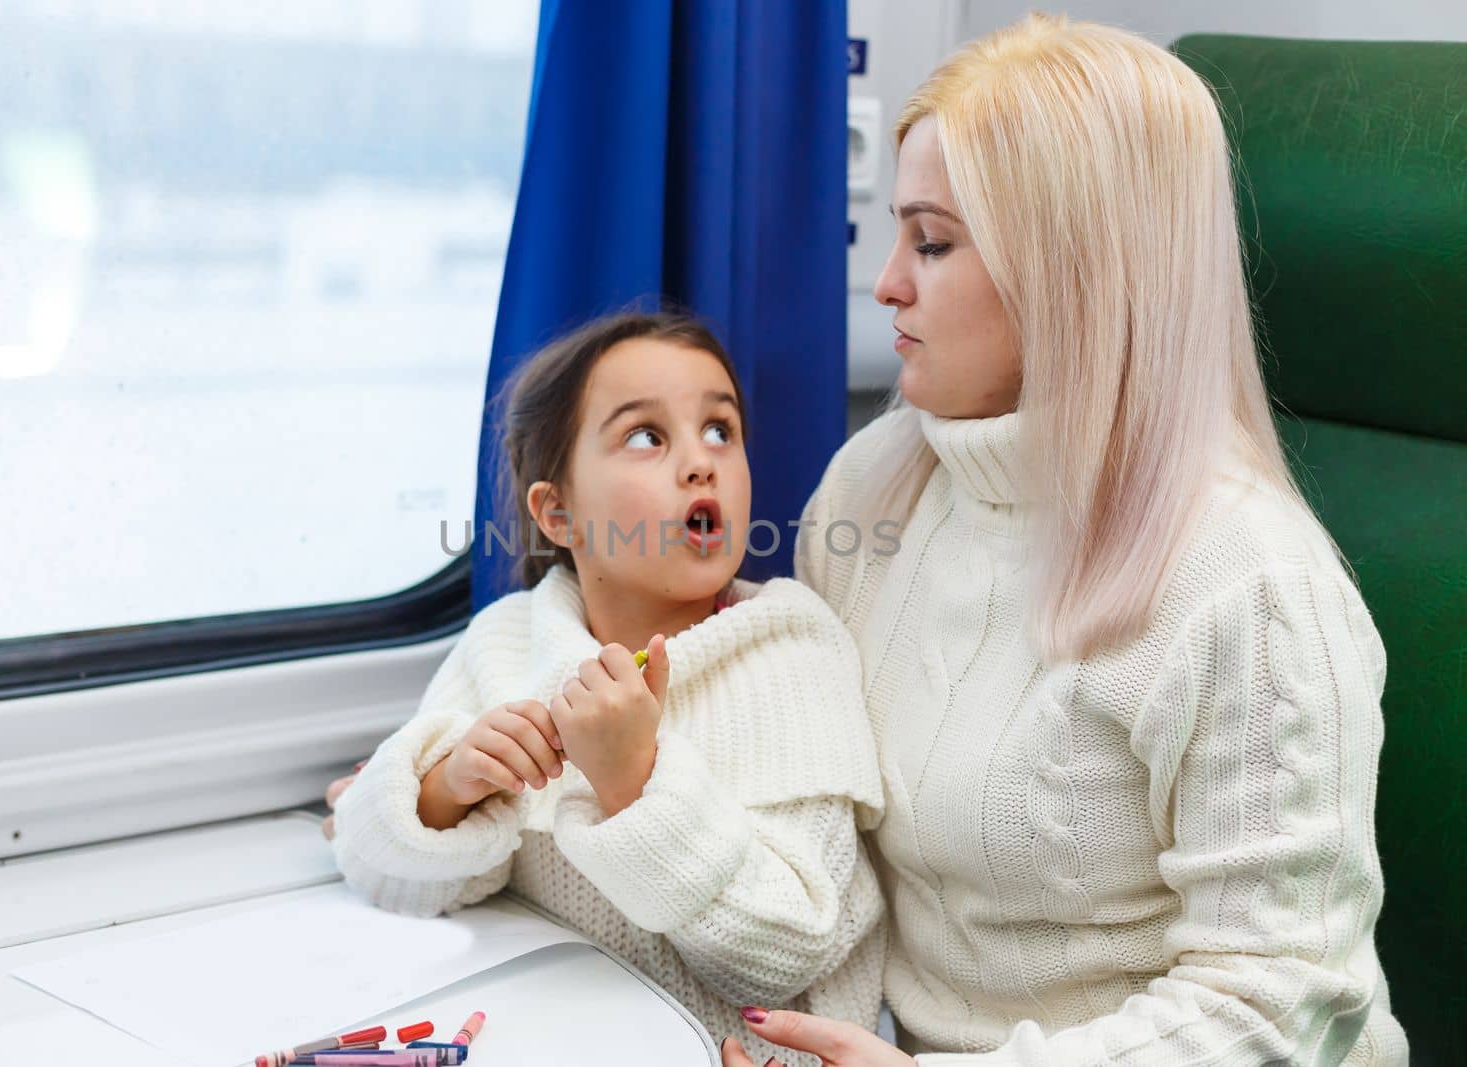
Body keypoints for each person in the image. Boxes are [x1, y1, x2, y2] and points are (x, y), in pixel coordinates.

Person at [723, 13, 1406, 1066]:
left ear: (1074, 269)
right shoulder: (878, 483)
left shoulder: (1250, 587)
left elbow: (1275, 1008)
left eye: (933, 241)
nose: (886, 283)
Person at [326, 311, 886, 1066]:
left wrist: (635, 782)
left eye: (720, 429)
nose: (700, 461)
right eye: (647, 437)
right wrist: (445, 788)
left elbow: (786, 947)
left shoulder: (793, 652)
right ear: (558, 511)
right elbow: (374, 864)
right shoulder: (507, 643)